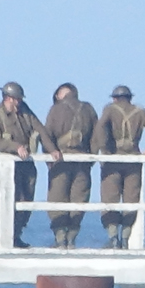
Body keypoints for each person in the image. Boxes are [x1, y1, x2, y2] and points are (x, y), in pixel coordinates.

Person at [0, 82, 60, 248]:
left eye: (19, 100)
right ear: (7, 98)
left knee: (26, 200)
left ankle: (17, 235)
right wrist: (16, 147)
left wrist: (52, 150)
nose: (18, 103)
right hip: (9, 165)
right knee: (10, 199)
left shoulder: (26, 112)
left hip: (27, 164)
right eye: (15, 100)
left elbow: (40, 130)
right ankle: (7, 236)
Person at [96, 86, 145, 249]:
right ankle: (126, 238)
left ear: (115, 98)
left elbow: (100, 127)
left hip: (113, 160)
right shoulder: (140, 111)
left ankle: (113, 237)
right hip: (133, 160)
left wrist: (105, 150)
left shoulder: (110, 110)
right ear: (130, 98)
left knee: (110, 198)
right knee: (131, 200)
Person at [44, 83, 98, 248]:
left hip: (61, 160)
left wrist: (50, 159)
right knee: (79, 200)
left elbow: (47, 135)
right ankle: (72, 238)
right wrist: (91, 158)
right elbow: (97, 136)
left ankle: (60, 239)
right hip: (83, 160)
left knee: (57, 199)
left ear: (62, 94)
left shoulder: (56, 110)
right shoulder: (88, 109)